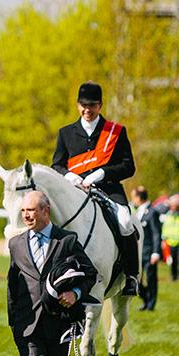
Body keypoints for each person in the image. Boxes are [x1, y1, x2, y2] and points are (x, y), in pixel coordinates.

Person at [7, 191, 97, 356]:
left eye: (31, 210)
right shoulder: (16, 244)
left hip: (60, 323)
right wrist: (13, 321)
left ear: (45, 211)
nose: (26, 215)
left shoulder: (67, 240)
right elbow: (12, 285)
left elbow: (90, 273)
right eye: (24, 211)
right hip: (28, 324)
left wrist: (75, 293)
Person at [52, 81, 140, 296]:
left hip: (108, 188)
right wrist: (69, 175)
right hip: (76, 190)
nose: (87, 110)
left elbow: (128, 166)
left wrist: (102, 173)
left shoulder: (116, 132)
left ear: (100, 105)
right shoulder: (66, 133)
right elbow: (57, 165)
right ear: (77, 105)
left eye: (91, 105)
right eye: (83, 105)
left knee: (125, 221)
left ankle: (131, 276)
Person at [130, 186, 161, 310]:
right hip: (139, 252)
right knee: (137, 279)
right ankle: (146, 299)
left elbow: (156, 233)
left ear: (138, 197)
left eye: (134, 197)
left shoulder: (152, 212)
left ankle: (151, 304)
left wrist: (156, 252)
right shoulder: (138, 211)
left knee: (151, 279)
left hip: (149, 252)